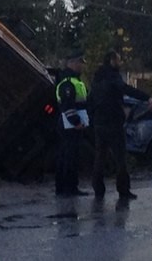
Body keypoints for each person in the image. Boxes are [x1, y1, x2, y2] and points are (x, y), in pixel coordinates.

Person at [90, 50, 152, 200]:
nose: (120, 63)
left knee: (100, 156)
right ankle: (123, 189)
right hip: (113, 122)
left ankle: (98, 188)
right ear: (112, 61)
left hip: (99, 123)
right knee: (120, 157)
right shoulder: (113, 77)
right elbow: (126, 89)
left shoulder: (97, 78)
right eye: (118, 60)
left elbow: (91, 99)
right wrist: (146, 98)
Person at [55, 51, 90, 197]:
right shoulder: (68, 82)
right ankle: (67, 188)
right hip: (69, 126)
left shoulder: (75, 80)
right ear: (72, 63)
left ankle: (69, 187)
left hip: (73, 124)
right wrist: (76, 122)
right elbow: (67, 105)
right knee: (68, 157)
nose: (81, 65)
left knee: (71, 156)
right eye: (79, 62)